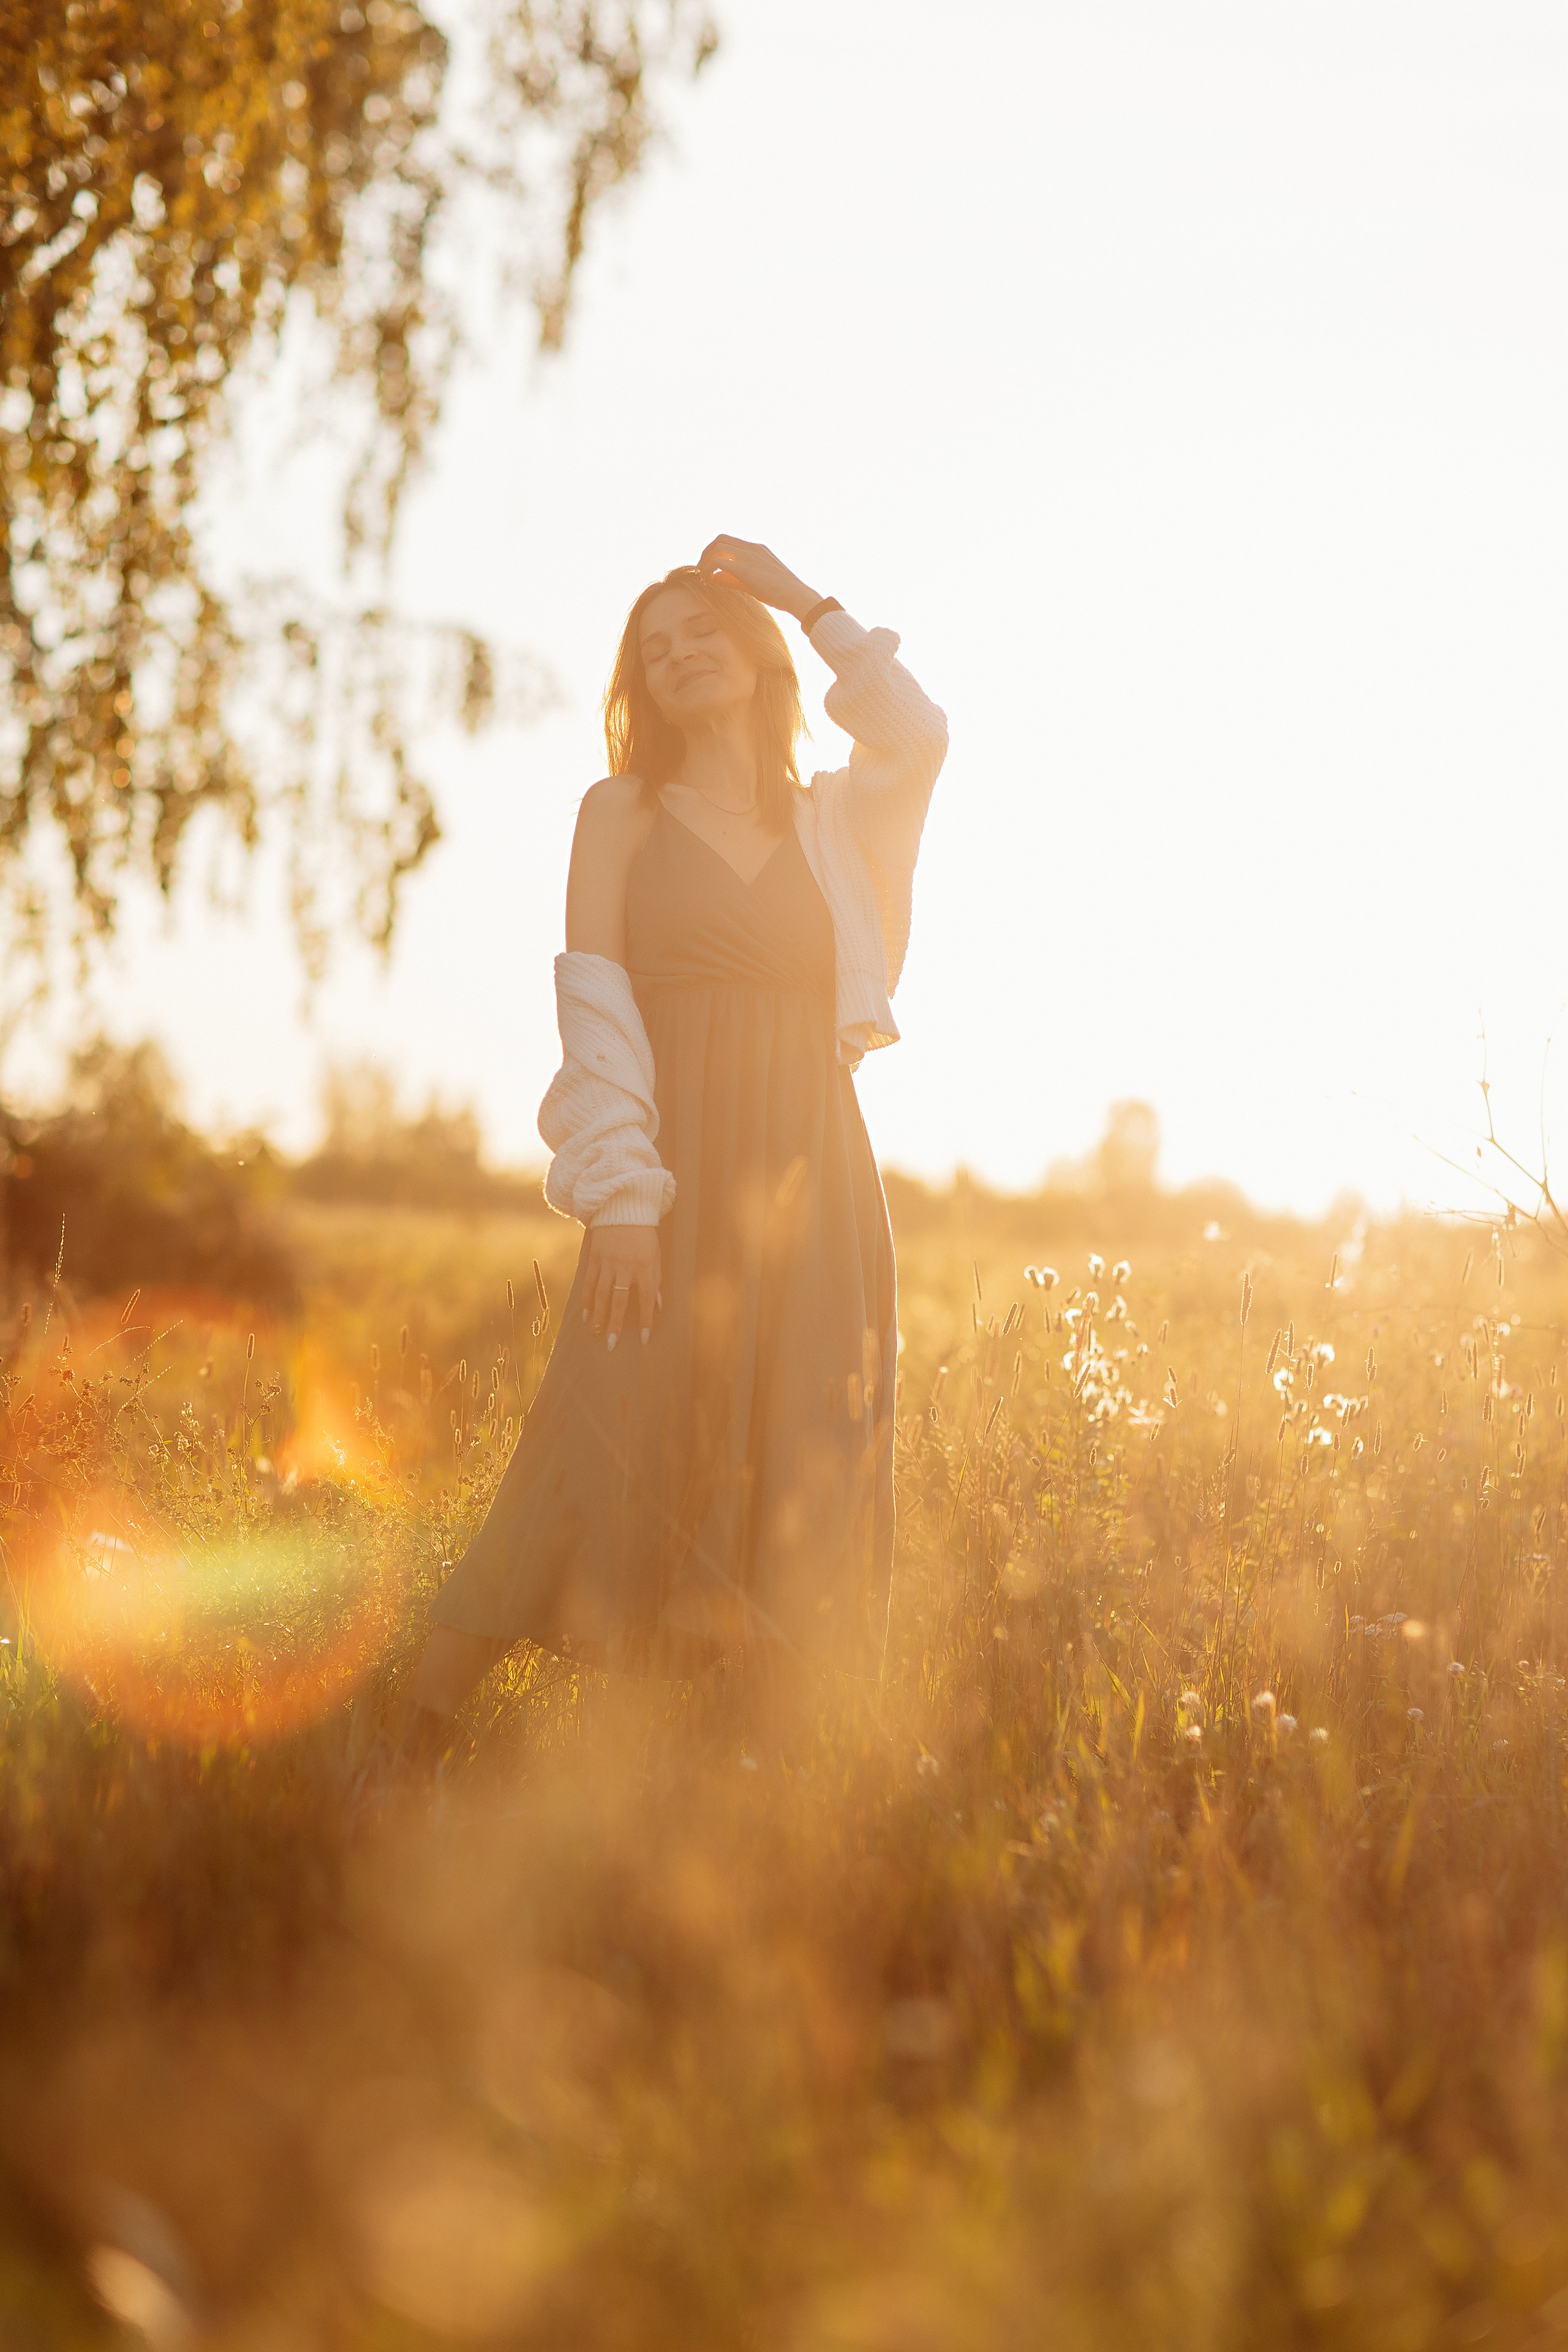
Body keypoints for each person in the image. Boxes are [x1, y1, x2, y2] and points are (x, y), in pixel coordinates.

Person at [405, 535, 947, 1748]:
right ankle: (408, 1730)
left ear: (758, 659)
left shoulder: (838, 821)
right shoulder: (619, 814)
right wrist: (623, 1201)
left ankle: (769, 1767)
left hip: (816, 1172)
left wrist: (802, 598)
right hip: (670, 1168)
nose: (677, 656)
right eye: (653, 652)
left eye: (700, 631)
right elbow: (594, 1010)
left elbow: (916, 732)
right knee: (600, 1424)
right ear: (636, 693)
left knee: (807, 1442)